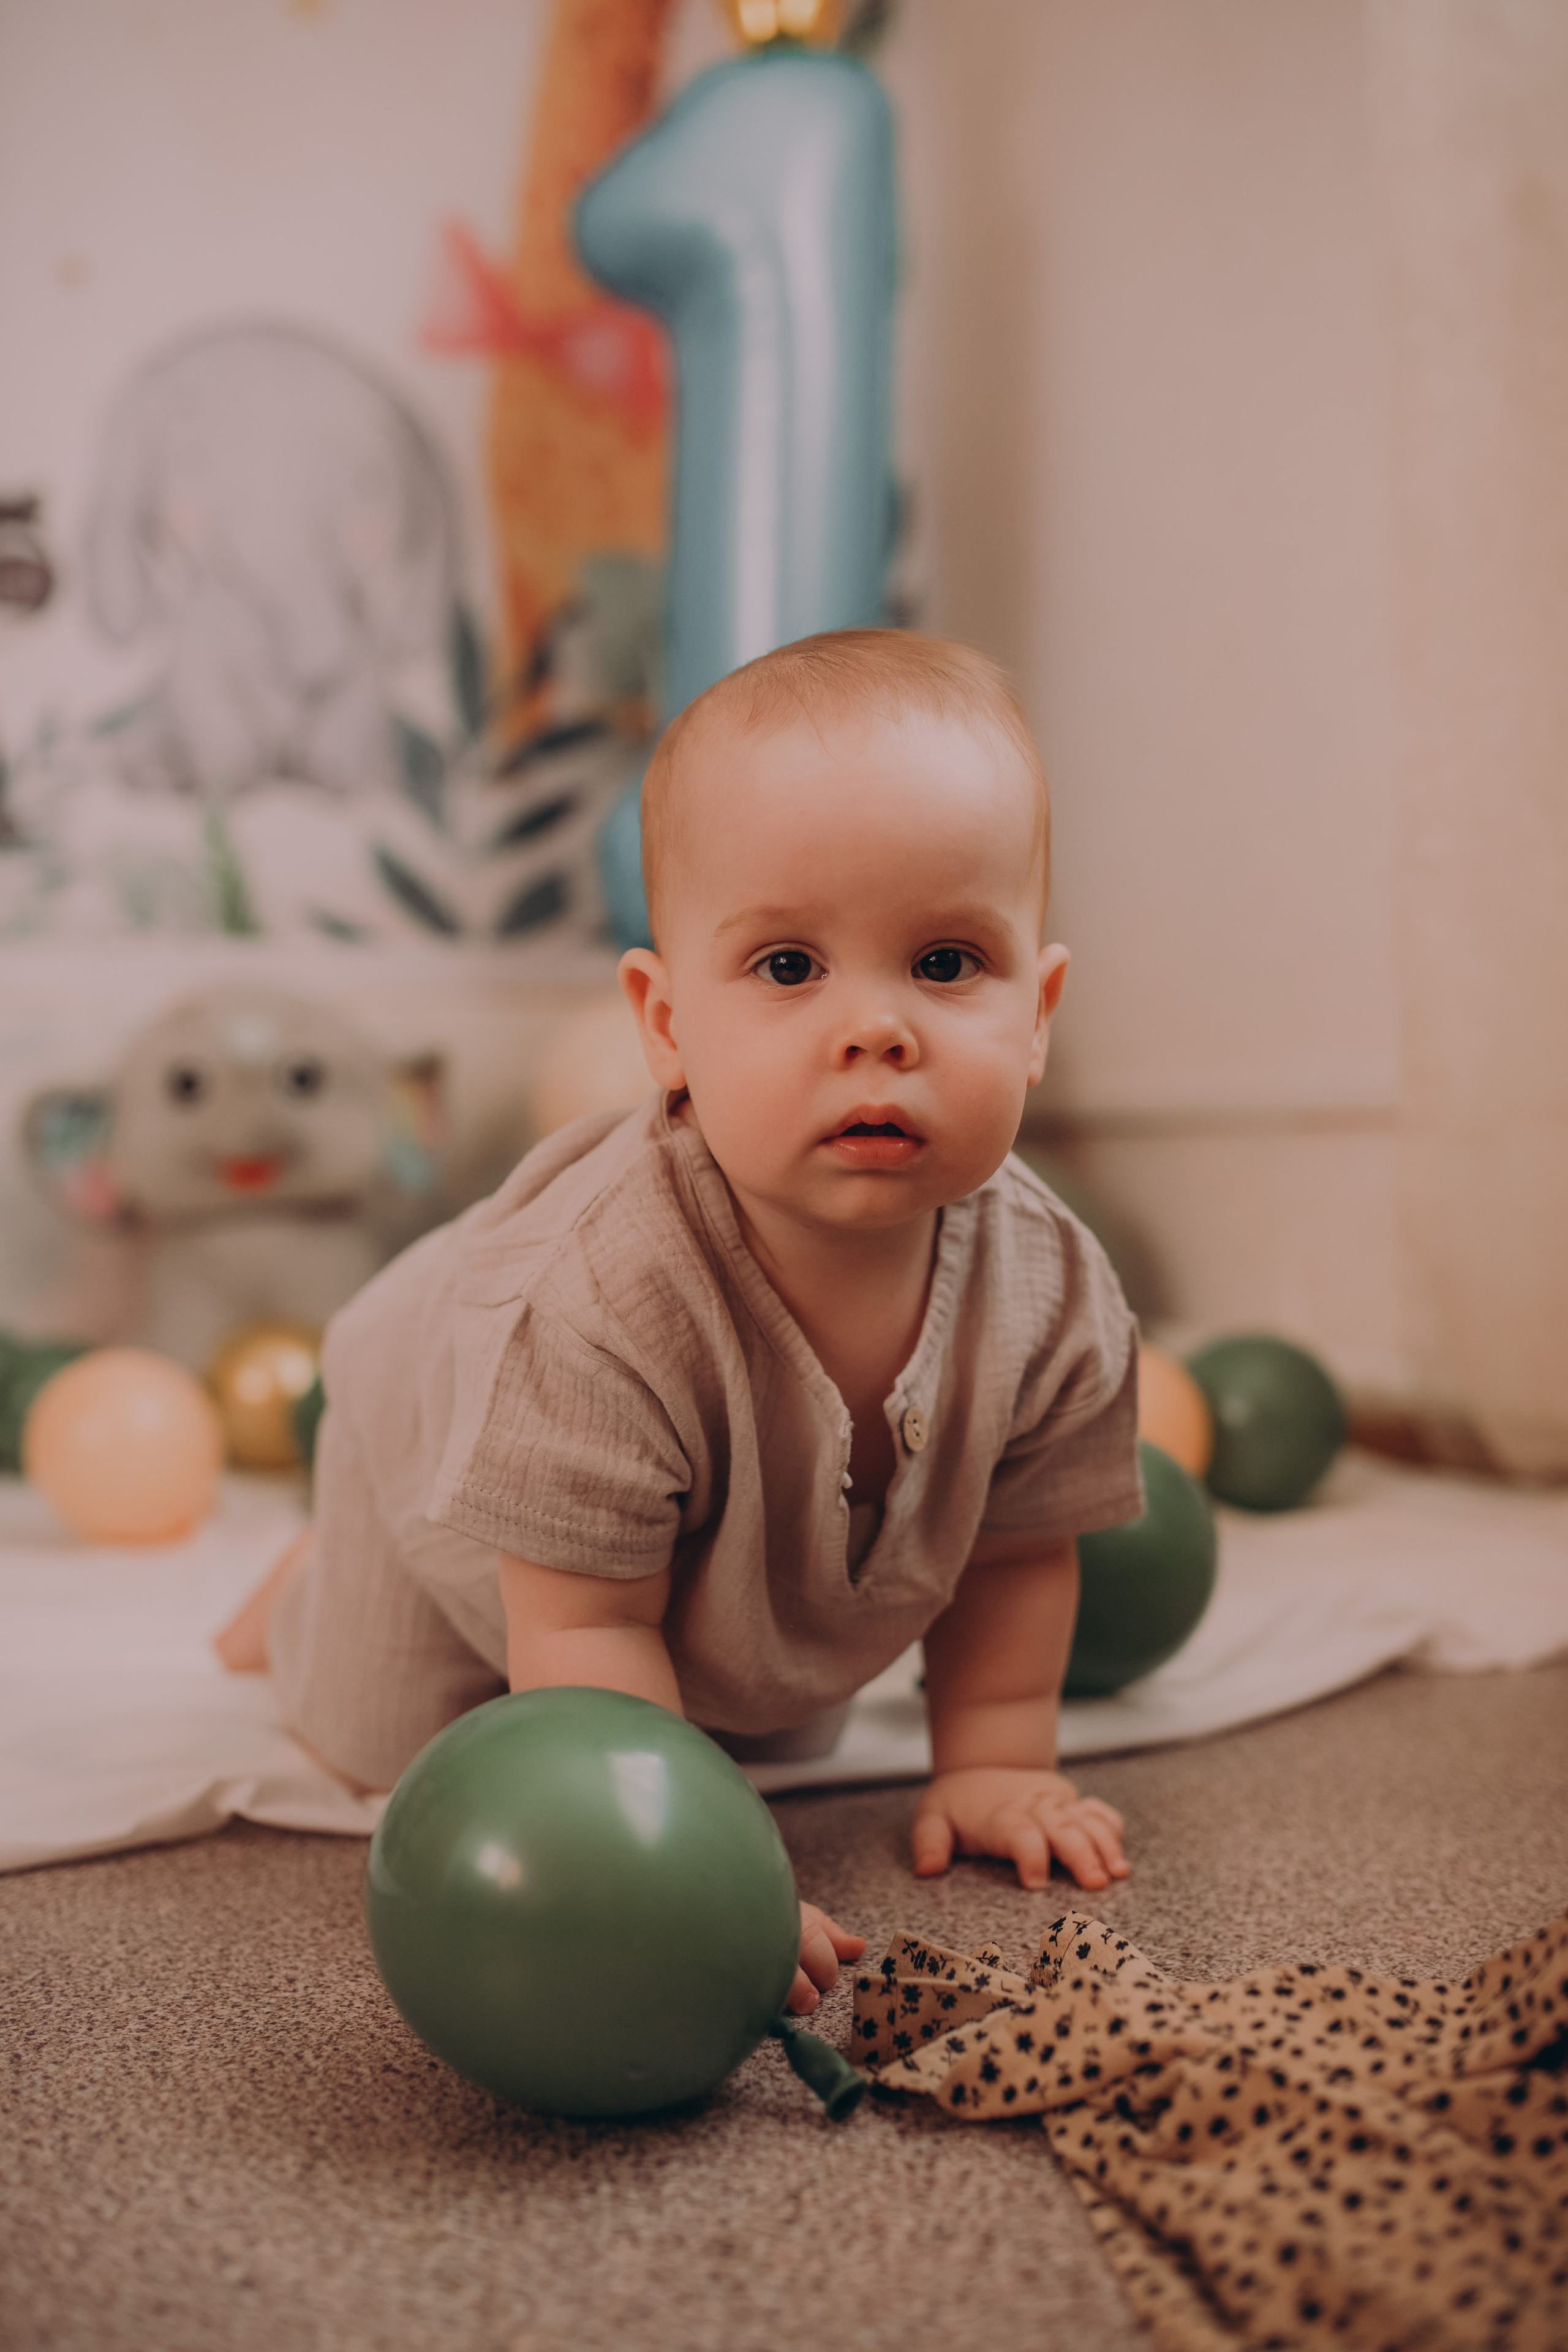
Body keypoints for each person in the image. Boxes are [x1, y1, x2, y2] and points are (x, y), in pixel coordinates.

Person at [218, 628, 1142, 2019]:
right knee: (384, 1745)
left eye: (946, 961)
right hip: (450, 1471)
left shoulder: (1055, 1287)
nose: (875, 1029)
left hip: (689, 1541)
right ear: (664, 1025)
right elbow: (585, 1636)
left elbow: (1017, 1554)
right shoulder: (601, 1299)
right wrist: (673, 1866)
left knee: (768, 1709)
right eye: (786, 968)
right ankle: (307, 1588)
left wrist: (996, 1757)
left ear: (1037, 1016)